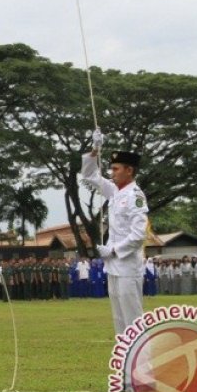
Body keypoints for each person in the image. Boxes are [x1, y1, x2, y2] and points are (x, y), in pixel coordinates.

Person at [82, 130, 149, 336]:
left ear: (129, 170)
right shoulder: (114, 190)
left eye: (116, 169)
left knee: (133, 320)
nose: (112, 172)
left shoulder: (135, 196)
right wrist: (95, 150)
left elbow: (139, 235)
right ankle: (126, 365)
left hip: (128, 265)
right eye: (111, 168)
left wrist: (113, 250)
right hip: (114, 267)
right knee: (119, 320)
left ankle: (143, 366)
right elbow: (89, 176)